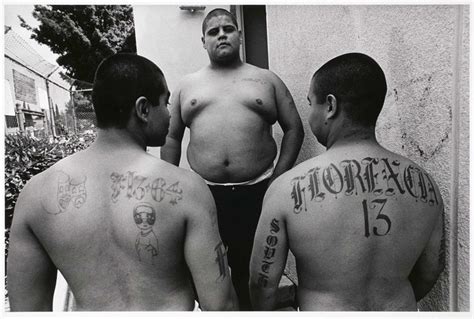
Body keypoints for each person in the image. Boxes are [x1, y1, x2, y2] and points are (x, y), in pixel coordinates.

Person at [7, 53, 237, 311]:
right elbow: (221, 306)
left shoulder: (35, 195)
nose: (171, 113)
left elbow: (26, 310)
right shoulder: (188, 189)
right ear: (143, 109)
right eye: (166, 102)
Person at [249, 53, 445, 311]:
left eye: (311, 105)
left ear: (330, 106)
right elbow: (430, 272)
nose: (309, 117)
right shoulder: (425, 186)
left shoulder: (286, 190)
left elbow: (262, 286)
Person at [160, 8, 304, 310]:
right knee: (210, 272)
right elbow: (171, 137)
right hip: (204, 194)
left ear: (239, 34)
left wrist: (278, 179)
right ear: (203, 41)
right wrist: (167, 185)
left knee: (256, 272)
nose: (221, 34)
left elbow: (294, 129)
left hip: (259, 191)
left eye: (228, 28)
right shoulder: (188, 85)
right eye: (213, 32)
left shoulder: (266, 80)